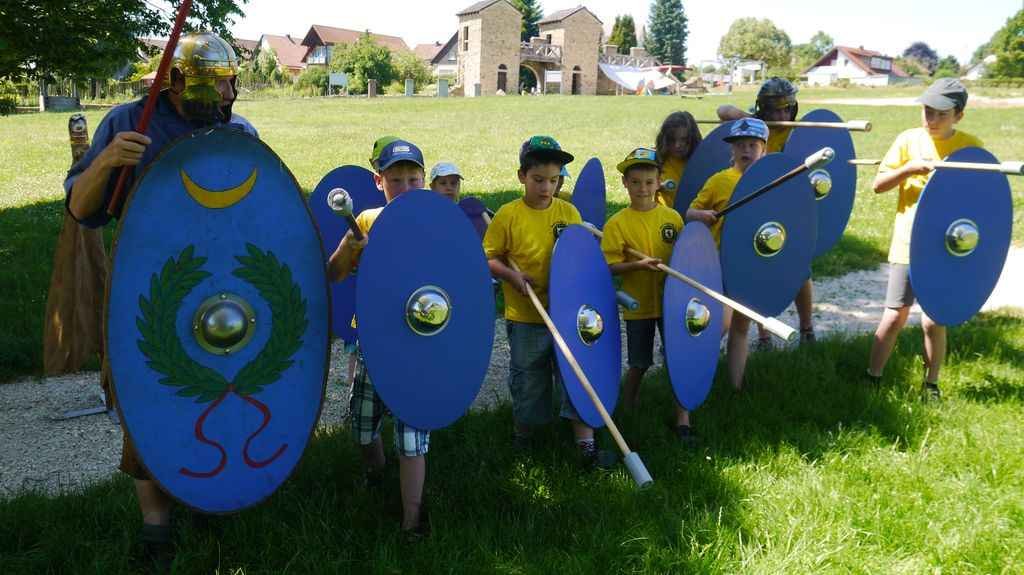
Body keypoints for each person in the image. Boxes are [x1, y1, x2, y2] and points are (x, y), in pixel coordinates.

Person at [62, 31, 257, 563]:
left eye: (231, 81)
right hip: (147, 285)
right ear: (176, 82)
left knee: (218, 393)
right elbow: (82, 211)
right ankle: (156, 528)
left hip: (222, 288)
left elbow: (260, 214)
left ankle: (210, 495)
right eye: (214, 82)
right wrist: (106, 163)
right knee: (148, 403)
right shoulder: (130, 121)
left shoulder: (239, 130)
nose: (227, 94)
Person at [328, 139, 432, 539]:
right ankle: (376, 474)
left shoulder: (433, 221)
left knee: (412, 437)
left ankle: (412, 519)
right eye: (395, 179)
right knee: (361, 427)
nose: (405, 187)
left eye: (413, 178)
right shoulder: (366, 221)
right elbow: (334, 274)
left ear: (423, 180)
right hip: (374, 342)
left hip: (418, 347)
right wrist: (351, 250)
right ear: (379, 180)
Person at [482, 136, 606, 468]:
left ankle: (585, 443)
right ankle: (524, 437)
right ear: (522, 176)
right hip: (526, 316)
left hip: (567, 314)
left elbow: (580, 256)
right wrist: (512, 277)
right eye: (539, 180)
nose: (546, 188)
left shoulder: (569, 212)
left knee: (575, 374)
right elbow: (489, 258)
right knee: (528, 377)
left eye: (554, 180)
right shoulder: (509, 215)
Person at [866, 79, 982, 401]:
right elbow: (878, 185)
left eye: (939, 115)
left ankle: (931, 384)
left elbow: (981, 198)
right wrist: (909, 169)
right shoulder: (908, 141)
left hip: (944, 247)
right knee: (894, 316)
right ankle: (872, 377)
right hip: (907, 243)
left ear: (958, 115)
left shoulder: (970, 147)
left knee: (934, 320)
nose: (930, 120)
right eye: (927, 112)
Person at [600, 148, 693, 443]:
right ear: (625, 183)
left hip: (671, 304)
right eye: (636, 182)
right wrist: (637, 266)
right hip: (638, 306)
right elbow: (609, 267)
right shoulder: (617, 224)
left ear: (659, 182)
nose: (643, 188)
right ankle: (627, 408)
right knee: (639, 362)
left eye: (649, 182)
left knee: (677, 360)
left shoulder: (672, 218)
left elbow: (686, 256)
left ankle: (683, 420)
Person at [718, 77, 816, 347]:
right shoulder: (758, 129)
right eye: (773, 110)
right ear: (763, 110)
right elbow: (723, 111)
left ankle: (807, 328)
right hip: (758, 205)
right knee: (758, 268)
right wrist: (757, 122)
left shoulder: (800, 132)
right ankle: (763, 334)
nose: (780, 116)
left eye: (785, 109)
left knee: (801, 270)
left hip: (790, 207)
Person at [686, 119, 769, 391]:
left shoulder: (771, 182)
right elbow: (689, 213)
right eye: (740, 145)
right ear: (731, 151)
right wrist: (702, 215)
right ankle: (693, 372)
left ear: (763, 149)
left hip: (751, 264)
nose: (746, 150)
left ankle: (735, 386)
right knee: (717, 325)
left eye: (752, 145)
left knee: (741, 326)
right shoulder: (720, 180)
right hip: (719, 262)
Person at [653, 111, 703, 210]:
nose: (677, 145)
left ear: (692, 139)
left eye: (684, 140)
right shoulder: (655, 160)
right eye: (672, 140)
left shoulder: (702, 162)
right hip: (662, 219)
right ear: (665, 139)